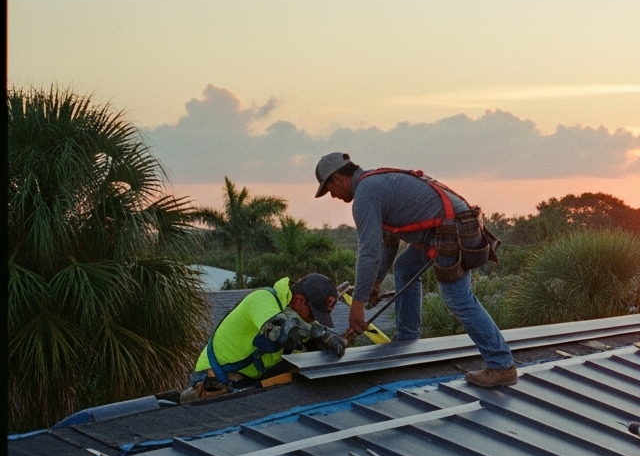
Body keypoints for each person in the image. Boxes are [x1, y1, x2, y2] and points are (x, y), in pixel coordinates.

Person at [313, 152, 517, 388]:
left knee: (458, 299)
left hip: (453, 229)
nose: (334, 196)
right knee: (405, 267)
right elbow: (388, 243)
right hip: (450, 226)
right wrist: (377, 281)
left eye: (330, 190)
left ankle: (501, 365)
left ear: (338, 178)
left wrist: (357, 305)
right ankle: (408, 341)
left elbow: (369, 252)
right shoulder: (374, 184)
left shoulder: (365, 194)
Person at [187, 273, 346, 400]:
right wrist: (319, 333)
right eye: (313, 315)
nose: (313, 320)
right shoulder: (263, 299)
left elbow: (301, 348)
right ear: (299, 300)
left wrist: (326, 346)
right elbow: (277, 330)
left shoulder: (297, 322)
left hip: (244, 381)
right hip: (213, 379)